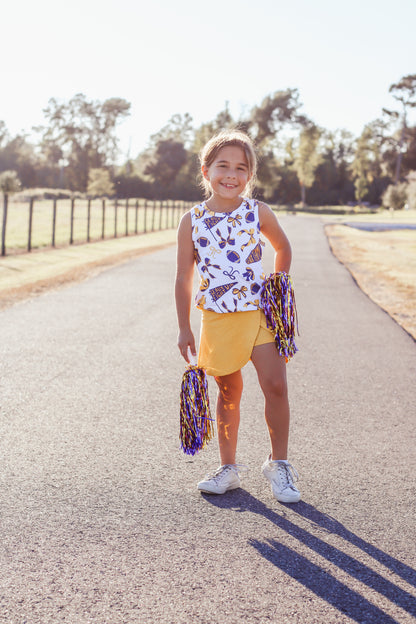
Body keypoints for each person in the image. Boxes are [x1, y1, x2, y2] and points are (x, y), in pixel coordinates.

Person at [175, 129, 300, 503]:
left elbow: (283, 248)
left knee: (275, 385)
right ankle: (228, 468)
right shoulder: (192, 220)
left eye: (241, 168)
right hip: (217, 318)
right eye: (222, 166)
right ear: (206, 170)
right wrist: (184, 327)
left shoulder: (257, 212)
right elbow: (184, 277)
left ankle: (279, 465)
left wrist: (279, 292)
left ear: (250, 175)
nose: (231, 174)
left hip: (260, 315)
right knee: (229, 392)